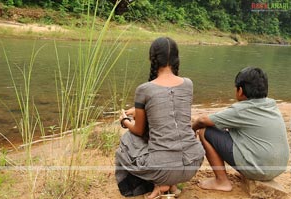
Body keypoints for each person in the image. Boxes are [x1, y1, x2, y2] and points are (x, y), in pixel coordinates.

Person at [115, 37, 205, 198]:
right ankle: (172, 185)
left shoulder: (144, 89)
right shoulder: (188, 84)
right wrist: (140, 110)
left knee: (128, 139)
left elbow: (139, 129)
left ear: (152, 58)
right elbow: (172, 111)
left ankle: (160, 184)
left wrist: (125, 120)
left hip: (162, 169)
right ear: (177, 59)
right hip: (194, 162)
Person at [192, 67, 290, 191]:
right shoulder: (271, 105)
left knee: (205, 131)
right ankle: (247, 169)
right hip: (278, 168)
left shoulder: (242, 110)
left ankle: (221, 181)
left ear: (240, 90)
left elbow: (202, 121)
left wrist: (192, 129)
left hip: (259, 170)